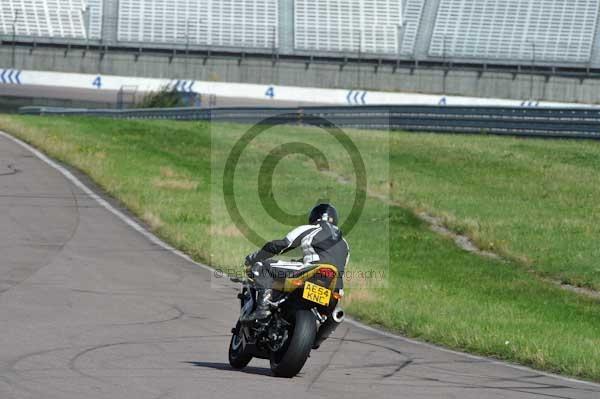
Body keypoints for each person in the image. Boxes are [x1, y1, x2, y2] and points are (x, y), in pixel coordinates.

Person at [242, 203, 350, 322]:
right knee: (331, 317)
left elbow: (282, 245)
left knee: (262, 266)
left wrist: (255, 257)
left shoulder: (312, 228)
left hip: (312, 270)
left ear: (314, 217)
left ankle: (263, 308)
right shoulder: (344, 243)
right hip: (335, 289)